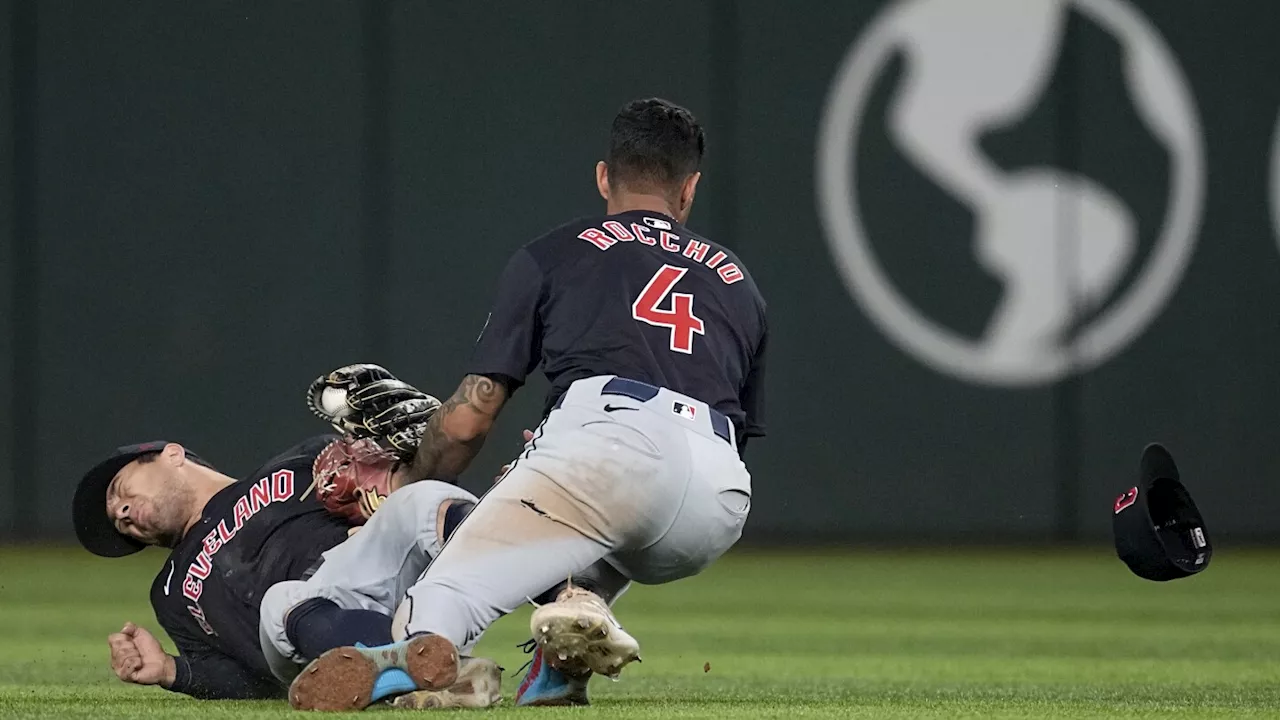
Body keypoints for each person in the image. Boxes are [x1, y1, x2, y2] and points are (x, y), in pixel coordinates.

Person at [289, 97, 767, 710]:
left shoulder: (558, 252)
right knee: (587, 543)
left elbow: (467, 420)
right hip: (718, 500)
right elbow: (728, 431)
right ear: (690, 188)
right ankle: (559, 665)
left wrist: (413, 475)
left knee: (445, 596)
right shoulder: (740, 283)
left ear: (603, 175)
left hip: (614, 450)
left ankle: (418, 664)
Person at [72, 433, 477, 702]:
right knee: (282, 604)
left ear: (171, 455)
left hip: (382, 577)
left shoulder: (302, 463)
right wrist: (171, 671)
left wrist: (396, 484)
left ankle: (538, 588)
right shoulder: (171, 593)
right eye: (117, 521)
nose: (120, 512)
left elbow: (394, 484)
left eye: (120, 490)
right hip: (306, 637)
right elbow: (247, 679)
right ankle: (423, 672)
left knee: (421, 501)